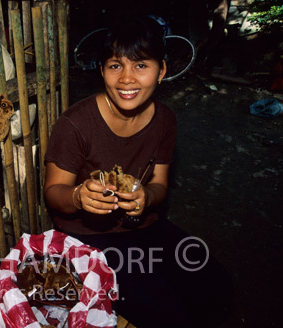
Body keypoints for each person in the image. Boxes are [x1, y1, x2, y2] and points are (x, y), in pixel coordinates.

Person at [44, 16, 232, 328]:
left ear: (162, 71)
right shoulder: (75, 124)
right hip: (89, 236)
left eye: (141, 65)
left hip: (144, 225)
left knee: (216, 287)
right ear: (102, 70)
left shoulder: (165, 120)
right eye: (115, 65)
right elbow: (54, 194)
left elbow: (159, 183)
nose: (127, 78)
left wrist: (146, 197)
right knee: (168, 313)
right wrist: (78, 196)